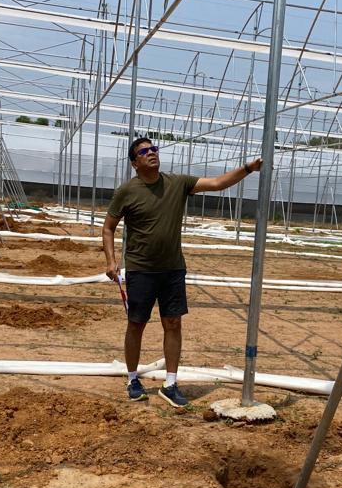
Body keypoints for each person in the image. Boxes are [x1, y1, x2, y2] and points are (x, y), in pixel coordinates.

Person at [103, 137, 262, 407]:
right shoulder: (126, 191)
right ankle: (132, 378)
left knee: (173, 323)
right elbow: (108, 228)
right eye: (144, 151)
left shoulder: (177, 183)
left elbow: (217, 183)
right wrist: (111, 260)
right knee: (136, 324)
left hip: (172, 269)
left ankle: (171, 383)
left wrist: (248, 168)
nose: (152, 152)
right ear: (135, 163)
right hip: (141, 270)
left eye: (154, 149)